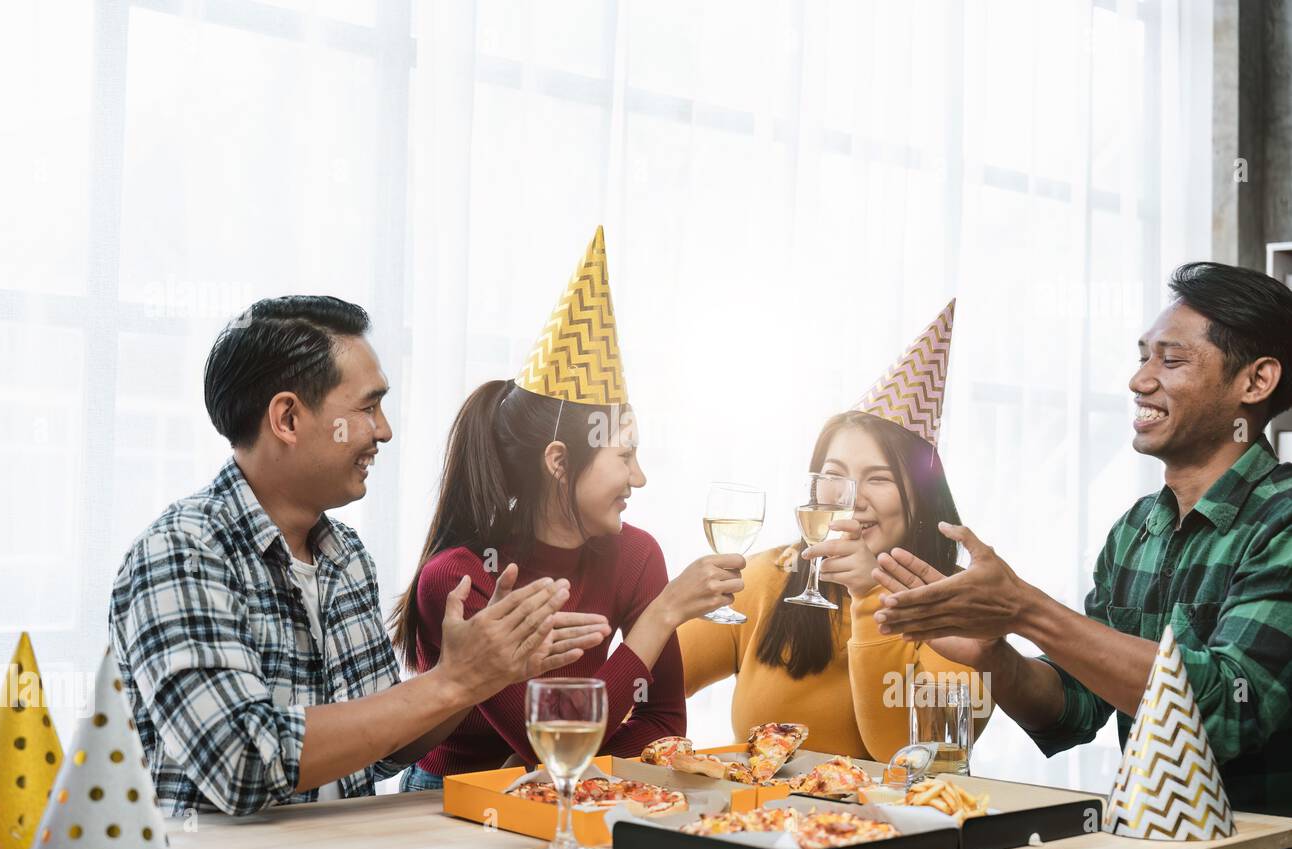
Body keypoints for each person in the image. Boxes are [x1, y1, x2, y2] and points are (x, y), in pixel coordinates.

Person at [109, 295, 597, 816]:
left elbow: (387, 749)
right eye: (367, 407)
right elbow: (242, 762)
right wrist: (455, 680)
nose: (382, 430)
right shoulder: (182, 551)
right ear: (288, 419)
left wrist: (479, 675)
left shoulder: (346, 557)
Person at [873, 262, 1292, 828]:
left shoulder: (1282, 518)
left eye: (1170, 360)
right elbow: (1074, 710)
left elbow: (1226, 712)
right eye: (1143, 356)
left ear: (1256, 382)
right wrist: (994, 655)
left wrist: (1026, 609)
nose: (1140, 379)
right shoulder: (1134, 530)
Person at [394, 228, 745, 788]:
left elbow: (664, 722)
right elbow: (548, 735)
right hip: (446, 799)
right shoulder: (458, 579)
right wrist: (660, 616)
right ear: (558, 461)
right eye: (624, 456)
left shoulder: (635, 554)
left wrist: (565, 767)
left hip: (577, 789)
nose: (640, 477)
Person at [680, 303, 991, 760]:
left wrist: (870, 594)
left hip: (893, 827)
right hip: (761, 822)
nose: (850, 499)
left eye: (879, 479)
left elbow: (907, 759)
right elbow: (649, 684)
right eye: (834, 475)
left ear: (919, 500)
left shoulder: (964, 605)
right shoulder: (769, 575)